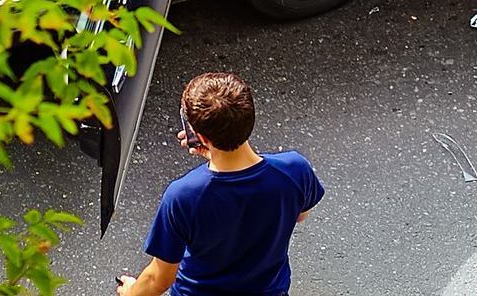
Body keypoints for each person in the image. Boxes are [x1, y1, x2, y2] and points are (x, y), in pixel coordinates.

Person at [116, 72, 323, 296]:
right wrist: (220, 156)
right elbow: (300, 214)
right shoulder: (294, 169)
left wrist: (129, 292)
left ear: (202, 138)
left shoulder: (184, 195)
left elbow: (159, 278)